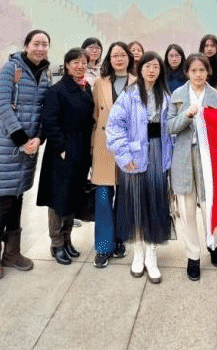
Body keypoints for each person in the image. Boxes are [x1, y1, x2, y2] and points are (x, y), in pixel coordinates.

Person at [0, 29, 51, 280]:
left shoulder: (46, 74)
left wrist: (39, 137)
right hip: (8, 143)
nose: (40, 48)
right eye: (36, 43)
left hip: (29, 144)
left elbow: (45, 109)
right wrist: (22, 139)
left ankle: (12, 252)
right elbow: (4, 107)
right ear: (26, 45)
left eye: (45, 44)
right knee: (5, 199)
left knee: (17, 195)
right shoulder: (11, 69)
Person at [106, 51, 174, 283]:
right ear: (140, 69)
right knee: (135, 204)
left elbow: (171, 129)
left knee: (155, 202)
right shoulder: (129, 95)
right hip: (135, 154)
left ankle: (151, 255)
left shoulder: (166, 95)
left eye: (156, 66)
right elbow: (115, 126)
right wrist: (124, 155)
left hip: (158, 153)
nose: (151, 71)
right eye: (147, 66)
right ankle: (138, 253)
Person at [166, 53, 217, 280]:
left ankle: (214, 245)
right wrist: (186, 115)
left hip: (208, 158)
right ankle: (193, 255)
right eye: (193, 70)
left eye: (202, 70)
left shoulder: (216, 96)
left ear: (208, 72)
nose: (198, 74)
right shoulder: (177, 95)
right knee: (187, 210)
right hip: (184, 157)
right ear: (187, 72)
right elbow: (170, 127)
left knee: (210, 205)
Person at [37, 48, 95, 265]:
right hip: (62, 152)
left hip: (81, 149)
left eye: (83, 63)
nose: (80, 66)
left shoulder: (86, 88)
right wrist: (62, 148)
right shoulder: (58, 90)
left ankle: (67, 239)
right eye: (75, 62)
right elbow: (49, 121)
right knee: (58, 197)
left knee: (74, 195)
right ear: (67, 65)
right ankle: (56, 243)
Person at [90, 42, 135, 268]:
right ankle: (103, 247)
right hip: (103, 145)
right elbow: (94, 116)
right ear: (109, 58)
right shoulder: (100, 83)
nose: (119, 58)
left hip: (130, 146)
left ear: (129, 58)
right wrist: (92, 146)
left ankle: (119, 240)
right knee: (103, 197)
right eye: (115, 55)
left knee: (125, 197)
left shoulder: (138, 81)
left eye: (122, 54)